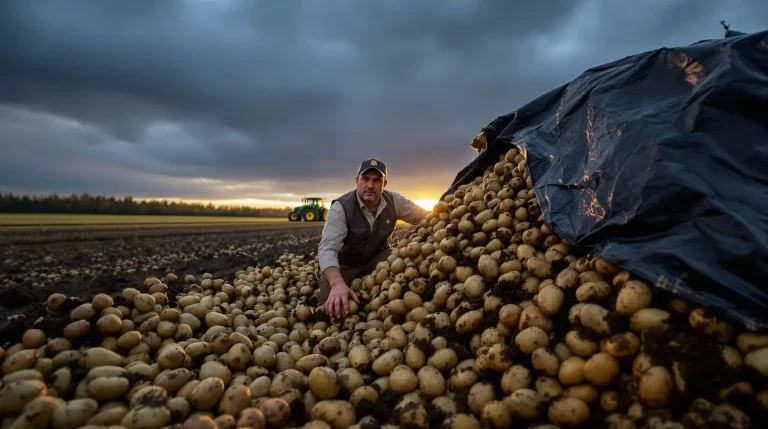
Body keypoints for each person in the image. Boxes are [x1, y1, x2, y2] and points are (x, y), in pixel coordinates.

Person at [317, 158, 429, 318]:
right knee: (331, 310)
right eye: (365, 179)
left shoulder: (394, 201)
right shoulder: (341, 207)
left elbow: (426, 218)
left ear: (385, 184)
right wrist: (336, 283)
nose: (370, 185)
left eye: (377, 181)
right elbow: (327, 249)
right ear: (357, 181)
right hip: (344, 264)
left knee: (406, 267)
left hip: (378, 259)